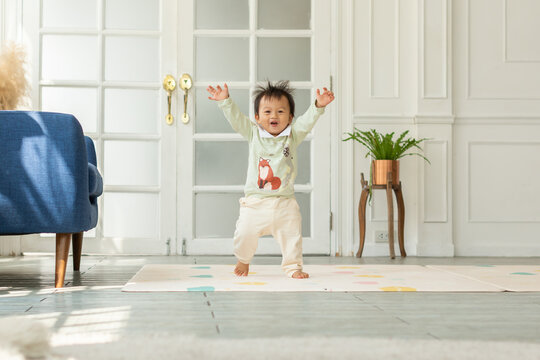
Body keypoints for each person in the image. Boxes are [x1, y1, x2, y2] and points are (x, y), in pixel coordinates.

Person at [206, 80, 335, 279]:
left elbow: (307, 121)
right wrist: (225, 102)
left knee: (292, 236)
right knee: (244, 234)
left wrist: (318, 106)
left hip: (284, 202)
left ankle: (293, 267)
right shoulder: (253, 133)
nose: (274, 116)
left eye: (281, 112)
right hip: (255, 202)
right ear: (257, 117)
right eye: (267, 112)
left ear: (290, 117)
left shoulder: (293, 135)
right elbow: (237, 119)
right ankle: (243, 259)